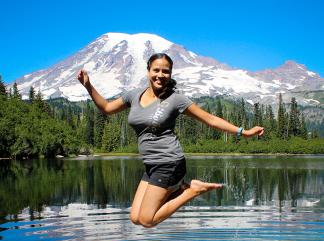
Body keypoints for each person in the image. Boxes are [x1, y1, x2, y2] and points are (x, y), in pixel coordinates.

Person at [77, 53, 264, 228]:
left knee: (147, 220)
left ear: (170, 74)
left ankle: (192, 190)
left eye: (165, 71)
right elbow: (107, 108)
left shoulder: (176, 100)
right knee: (135, 218)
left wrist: (244, 132)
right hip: (151, 165)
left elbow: (210, 119)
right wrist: (88, 85)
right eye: (156, 70)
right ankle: (183, 189)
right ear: (148, 71)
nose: (160, 75)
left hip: (169, 163)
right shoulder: (133, 95)